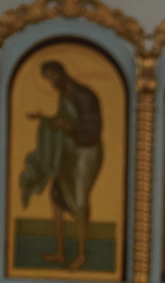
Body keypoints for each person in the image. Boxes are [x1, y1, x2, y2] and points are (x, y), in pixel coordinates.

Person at [18, 58, 104, 271]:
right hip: (67, 152)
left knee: (80, 200)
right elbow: (63, 119)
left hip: (86, 151)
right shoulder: (64, 96)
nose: (50, 82)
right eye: (47, 78)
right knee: (56, 197)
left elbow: (92, 128)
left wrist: (68, 125)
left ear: (61, 73)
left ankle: (82, 254)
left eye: (51, 76)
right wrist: (46, 119)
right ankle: (60, 251)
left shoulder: (83, 95)